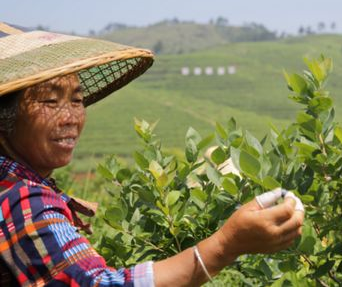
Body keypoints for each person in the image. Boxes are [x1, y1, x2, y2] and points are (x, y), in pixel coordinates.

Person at [0, 22, 304, 286]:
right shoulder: (22, 198)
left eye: (77, 100)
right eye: (51, 101)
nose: (70, 118)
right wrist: (226, 244)